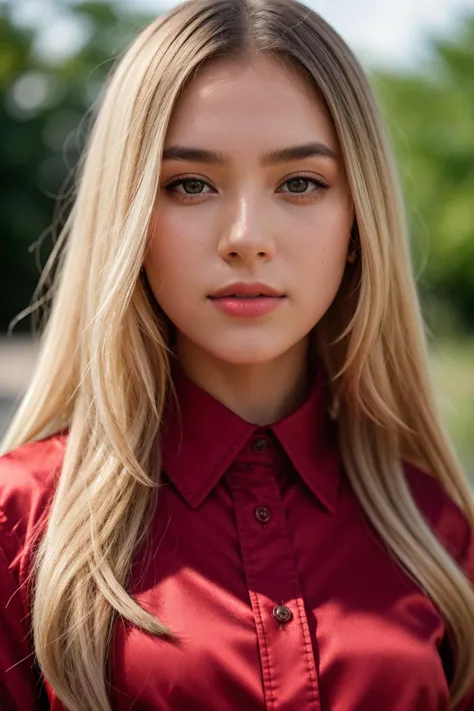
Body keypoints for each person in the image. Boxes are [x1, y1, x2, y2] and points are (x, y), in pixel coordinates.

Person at [1, 0, 473, 709]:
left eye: (300, 182)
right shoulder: (21, 524)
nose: (246, 236)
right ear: (127, 213)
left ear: (358, 221)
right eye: (190, 184)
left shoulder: (437, 530)